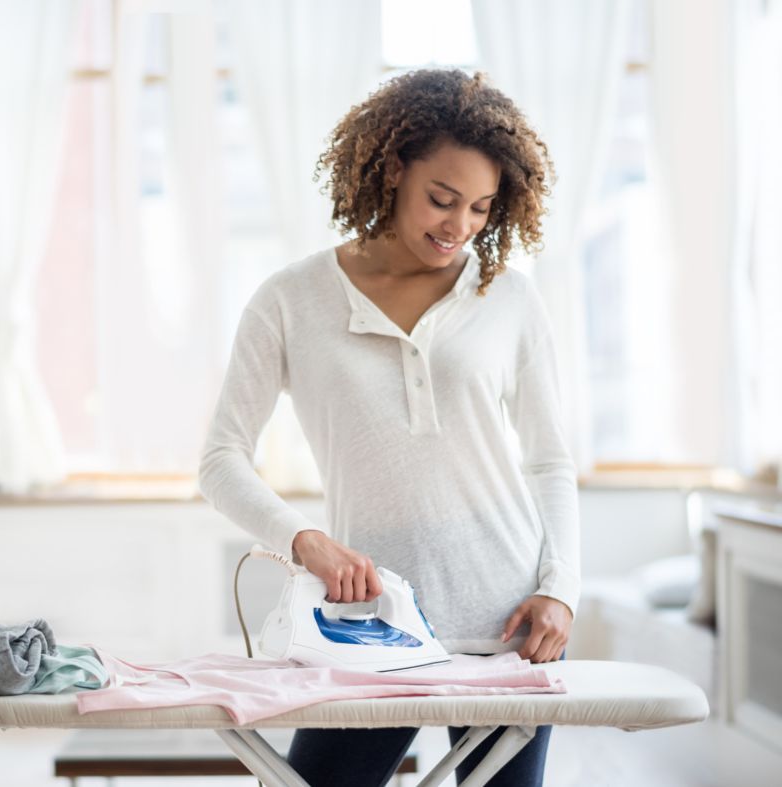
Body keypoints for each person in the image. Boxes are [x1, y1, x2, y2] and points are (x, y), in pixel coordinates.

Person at [197, 67, 579, 787]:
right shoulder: (289, 300)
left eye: (480, 208)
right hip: (369, 624)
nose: (459, 226)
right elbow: (220, 459)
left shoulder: (511, 301)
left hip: (513, 623)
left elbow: (550, 461)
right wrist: (303, 541)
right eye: (442, 199)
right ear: (393, 170)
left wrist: (561, 587)